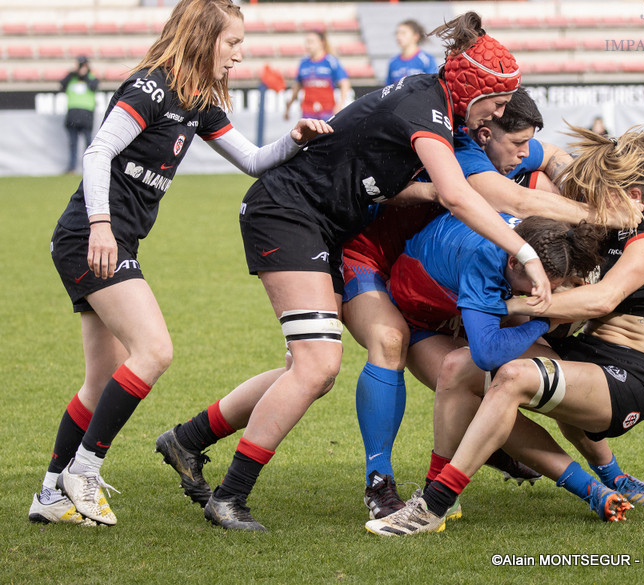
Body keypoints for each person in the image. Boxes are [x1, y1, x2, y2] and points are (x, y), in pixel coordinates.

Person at [159, 12, 555, 532]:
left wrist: (561, 167)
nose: (499, 116)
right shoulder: (427, 108)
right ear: (472, 89)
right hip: (290, 214)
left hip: (326, 227)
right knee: (320, 363)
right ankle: (233, 496)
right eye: (498, 104)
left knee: (309, 370)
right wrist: (526, 253)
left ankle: (187, 439)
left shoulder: (443, 111)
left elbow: (471, 174)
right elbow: (459, 195)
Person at [27, 0, 333, 528]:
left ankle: (50, 495)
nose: (240, 54)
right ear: (202, 36)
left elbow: (253, 160)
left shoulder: (198, 101)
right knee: (155, 350)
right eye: (232, 42)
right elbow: (98, 153)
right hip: (92, 238)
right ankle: (83, 469)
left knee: (101, 381)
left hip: (104, 240)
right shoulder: (151, 86)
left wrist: (295, 139)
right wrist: (101, 225)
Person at [366, 125, 644, 536]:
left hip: (628, 377)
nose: (588, 207)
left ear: (632, 197)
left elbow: (601, 300)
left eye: (600, 197)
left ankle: (432, 507)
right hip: (586, 355)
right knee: (458, 366)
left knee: (512, 377)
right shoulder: (603, 229)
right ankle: (439, 492)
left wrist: (511, 304)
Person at [284, 30, 351, 121]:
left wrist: (340, 105)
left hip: (327, 112)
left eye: (311, 42)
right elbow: (297, 86)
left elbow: (344, 83)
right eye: (307, 42)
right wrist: (288, 107)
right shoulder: (303, 63)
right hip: (308, 113)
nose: (308, 45)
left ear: (321, 43)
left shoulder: (330, 61)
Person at [60, 55, 99, 174]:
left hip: (86, 115)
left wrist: (85, 74)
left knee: (88, 143)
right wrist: (73, 72)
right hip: (72, 114)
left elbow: (93, 86)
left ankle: (89, 167)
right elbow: (61, 85)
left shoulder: (92, 78)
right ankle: (72, 167)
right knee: (73, 143)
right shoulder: (72, 78)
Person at [386, 19, 439, 85]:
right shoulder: (393, 62)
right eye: (397, 33)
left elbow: (433, 85)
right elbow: (388, 88)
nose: (398, 37)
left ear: (415, 36)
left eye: (403, 33)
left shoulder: (427, 60)